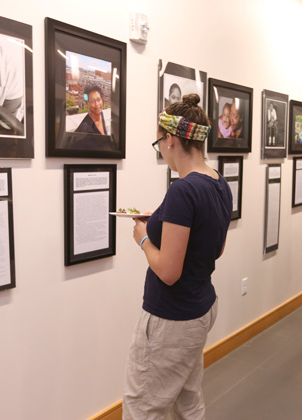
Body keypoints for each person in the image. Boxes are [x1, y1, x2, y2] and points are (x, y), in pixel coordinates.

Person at [122, 94, 233, 419]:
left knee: (143, 407)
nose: (161, 150)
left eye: (159, 143)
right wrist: (162, 221)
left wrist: (144, 238)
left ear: (170, 139)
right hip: (200, 307)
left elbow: (169, 272)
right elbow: (217, 247)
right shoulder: (219, 183)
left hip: (171, 316)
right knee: (187, 401)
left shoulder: (182, 190)